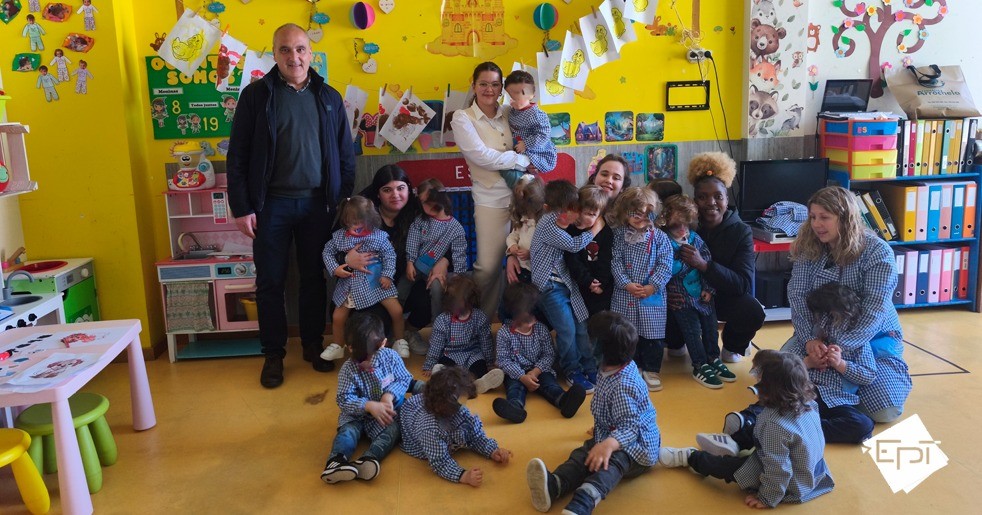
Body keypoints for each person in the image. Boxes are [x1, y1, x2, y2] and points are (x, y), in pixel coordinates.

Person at [227, 23, 355, 388]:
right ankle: (273, 354)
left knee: (314, 278)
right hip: (270, 207)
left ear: (311, 54)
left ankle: (312, 344)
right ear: (274, 54)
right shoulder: (255, 96)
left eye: (300, 49)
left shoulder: (328, 97)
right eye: (285, 49)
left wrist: (342, 200)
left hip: (318, 205)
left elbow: (345, 154)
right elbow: (237, 157)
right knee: (270, 281)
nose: (293, 56)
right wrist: (242, 207)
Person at [783, 186, 911, 423]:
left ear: (844, 218)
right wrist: (809, 340)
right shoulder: (808, 246)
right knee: (778, 377)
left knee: (885, 411)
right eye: (813, 217)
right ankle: (837, 395)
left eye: (824, 217)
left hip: (871, 339)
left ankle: (844, 395)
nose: (817, 224)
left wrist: (840, 348)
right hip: (818, 333)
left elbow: (874, 310)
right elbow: (798, 296)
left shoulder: (877, 252)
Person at [659, 350, 834, 509]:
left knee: (728, 467)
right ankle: (734, 442)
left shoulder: (775, 426)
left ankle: (691, 457)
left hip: (792, 484)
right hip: (812, 472)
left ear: (769, 388)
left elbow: (778, 470)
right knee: (759, 427)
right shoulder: (808, 403)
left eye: (759, 379)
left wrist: (766, 498)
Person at [526, 311, 660, 515]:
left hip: (637, 448)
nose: (584, 341)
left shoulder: (624, 386)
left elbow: (631, 427)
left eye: (588, 339)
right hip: (612, 432)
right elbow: (611, 405)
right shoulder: (611, 366)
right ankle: (555, 484)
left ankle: (582, 503)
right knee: (583, 455)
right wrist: (603, 427)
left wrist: (608, 444)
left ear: (599, 349)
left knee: (610, 464)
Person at [667, 152, 764, 363]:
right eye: (702, 197)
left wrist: (704, 265)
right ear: (694, 201)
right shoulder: (683, 227)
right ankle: (676, 341)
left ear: (727, 199)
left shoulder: (741, 231)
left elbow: (743, 284)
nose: (711, 202)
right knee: (661, 306)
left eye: (718, 196)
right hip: (687, 295)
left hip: (723, 296)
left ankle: (732, 346)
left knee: (752, 311)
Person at [451, 61, 531, 317]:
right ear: (473, 85)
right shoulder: (462, 117)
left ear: (502, 87)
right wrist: (520, 159)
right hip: (489, 198)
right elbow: (480, 156)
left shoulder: (511, 111)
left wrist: (525, 156)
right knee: (487, 267)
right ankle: (479, 321)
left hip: (524, 197)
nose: (489, 89)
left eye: (495, 84)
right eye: (483, 84)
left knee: (527, 260)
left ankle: (520, 322)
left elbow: (535, 137)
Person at [345, 165, 448, 353]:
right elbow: (335, 245)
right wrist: (347, 258)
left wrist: (444, 261)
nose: (395, 195)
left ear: (409, 189)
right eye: (387, 190)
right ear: (377, 194)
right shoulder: (362, 213)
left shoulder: (419, 211)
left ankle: (408, 331)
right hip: (371, 287)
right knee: (372, 332)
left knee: (432, 291)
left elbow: (448, 235)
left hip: (408, 282)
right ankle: (390, 333)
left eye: (400, 188)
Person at [320, 313, 411, 484]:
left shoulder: (391, 357)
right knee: (347, 432)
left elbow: (404, 378)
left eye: (372, 356)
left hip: (383, 417)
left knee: (394, 430)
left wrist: (389, 395)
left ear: (383, 344)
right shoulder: (348, 370)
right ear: (350, 348)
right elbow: (343, 399)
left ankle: (369, 459)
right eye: (361, 358)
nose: (367, 363)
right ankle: (336, 461)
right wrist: (367, 405)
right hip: (356, 416)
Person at [530, 180, 601, 393]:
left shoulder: (566, 222)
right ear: (550, 210)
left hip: (567, 284)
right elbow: (574, 245)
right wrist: (595, 228)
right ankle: (572, 370)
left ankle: (589, 366)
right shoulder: (547, 223)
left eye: (573, 208)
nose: (569, 215)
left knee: (581, 325)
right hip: (549, 286)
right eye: (564, 211)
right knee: (567, 329)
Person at [660, 194, 735, 389]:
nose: (682, 229)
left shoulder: (695, 238)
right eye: (677, 225)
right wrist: (682, 260)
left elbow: (707, 264)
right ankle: (700, 364)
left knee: (710, 329)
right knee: (692, 332)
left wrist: (709, 289)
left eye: (686, 224)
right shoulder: (663, 241)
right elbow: (663, 270)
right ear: (667, 220)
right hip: (681, 300)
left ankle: (713, 358)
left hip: (702, 295)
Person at [321, 196, 409, 361]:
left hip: (377, 281)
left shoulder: (379, 236)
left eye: (360, 222)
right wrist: (335, 269)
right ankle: (337, 345)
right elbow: (327, 251)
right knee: (338, 317)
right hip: (351, 283)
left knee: (396, 311)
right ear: (345, 221)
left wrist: (387, 275)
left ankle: (400, 340)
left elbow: (390, 255)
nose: (356, 226)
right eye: (351, 222)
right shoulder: (341, 237)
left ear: (370, 220)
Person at [786, 283, 875, 443]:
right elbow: (784, 369)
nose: (827, 327)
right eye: (821, 320)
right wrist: (807, 363)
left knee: (864, 425)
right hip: (804, 392)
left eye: (835, 320)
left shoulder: (858, 344)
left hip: (836, 400)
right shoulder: (807, 341)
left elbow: (868, 375)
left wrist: (841, 365)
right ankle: (747, 422)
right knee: (772, 405)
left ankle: (802, 429)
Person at [400, 367, 513, 486]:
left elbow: (475, 436)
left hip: (432, 405)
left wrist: (493, 451)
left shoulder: (458, 409)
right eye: (461, 402)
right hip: (412, 414)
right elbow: (440, 462)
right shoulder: (430, 430)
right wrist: (464, 475)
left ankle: (421, 385)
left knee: (427, 392)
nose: (464, 408)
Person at [492, 282, 586, 423]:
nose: (531, 320)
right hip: (515, 373)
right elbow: (503, 360)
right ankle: (515, 407)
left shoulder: (541, 329)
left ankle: (563, 400)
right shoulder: (504, 333)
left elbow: (549, 354)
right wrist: (522, 376)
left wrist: (535, 372)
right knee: (514, 388)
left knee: (550, 384)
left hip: (540, 370)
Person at [609, 187, 672, 391]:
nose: (640, 218)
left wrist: (653, 286)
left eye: (646, 214)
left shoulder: (660, 238)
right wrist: (626, 283)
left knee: (653, 335)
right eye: (635, 213)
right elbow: (615, 262)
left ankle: (652, 369)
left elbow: (666, 264)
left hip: (651, 295)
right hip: (625, 294)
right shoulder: (619, 236)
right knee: (627, 334)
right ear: (624, 212)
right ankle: (631, 366)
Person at [422, 275, 504, 394]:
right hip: (450, 354)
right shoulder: (443, 320)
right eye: (452, 303)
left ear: (470, 302)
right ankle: (452, 382)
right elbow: (436, 345)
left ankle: (479, 383)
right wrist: (429, 365)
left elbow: (486, 342)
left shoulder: (479, 317)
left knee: (479, 368)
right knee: (444, 368)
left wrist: (489, 362)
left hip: (473, 354)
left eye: (458, 304)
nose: (455, 307)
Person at [405, 179, 468, 323]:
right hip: (415, 268)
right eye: (424, 202)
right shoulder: (420, 221)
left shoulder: (456, 228)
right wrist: (409, 261)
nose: (428, 207)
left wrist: (457, 280)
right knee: (401, 290)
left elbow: (459, 255)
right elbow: (412, 241)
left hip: (436, 273)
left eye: (430, 202)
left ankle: (438, 324)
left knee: (437, 288)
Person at [501, 70, 557, 188]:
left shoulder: (536, 114)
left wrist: (526, 144)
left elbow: (544, 134)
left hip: (536, 150)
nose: (512, 101)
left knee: (520, 175)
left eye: (517, 96)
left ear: (531, 95)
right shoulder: (512, 111)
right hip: (519, 149)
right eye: (510, 97)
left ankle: (528, 186)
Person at [565, 184, 614, 317]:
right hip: (579, 286)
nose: (582, 217)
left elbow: (606, 260)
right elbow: (572, 260)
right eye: (580, 211)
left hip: (600, 288)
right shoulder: (571, 230)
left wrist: (600, 283)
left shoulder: (605, 233)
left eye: (591, 214)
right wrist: (587, 280)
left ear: (599, 216)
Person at [504, 174, 545, 286]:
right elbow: (512, 236)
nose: (527, 212)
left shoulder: (543, 223)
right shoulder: (523, 220)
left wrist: (531, 254)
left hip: (538, 271)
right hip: (522, 269)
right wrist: (512, 246)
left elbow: (547, 248)